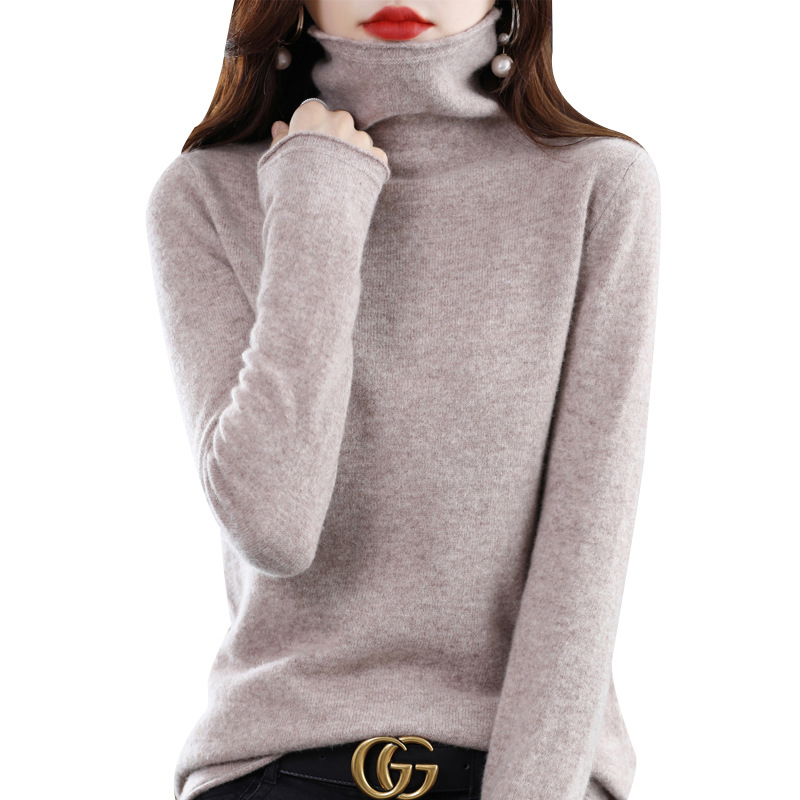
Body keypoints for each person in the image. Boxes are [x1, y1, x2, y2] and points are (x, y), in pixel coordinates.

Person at [144, 1, 661, 799]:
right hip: (270, 772)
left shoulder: (598, 184)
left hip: (524, 776)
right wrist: (318, 201)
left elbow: (585, 557)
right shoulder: (206, 195)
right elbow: (274, 524)